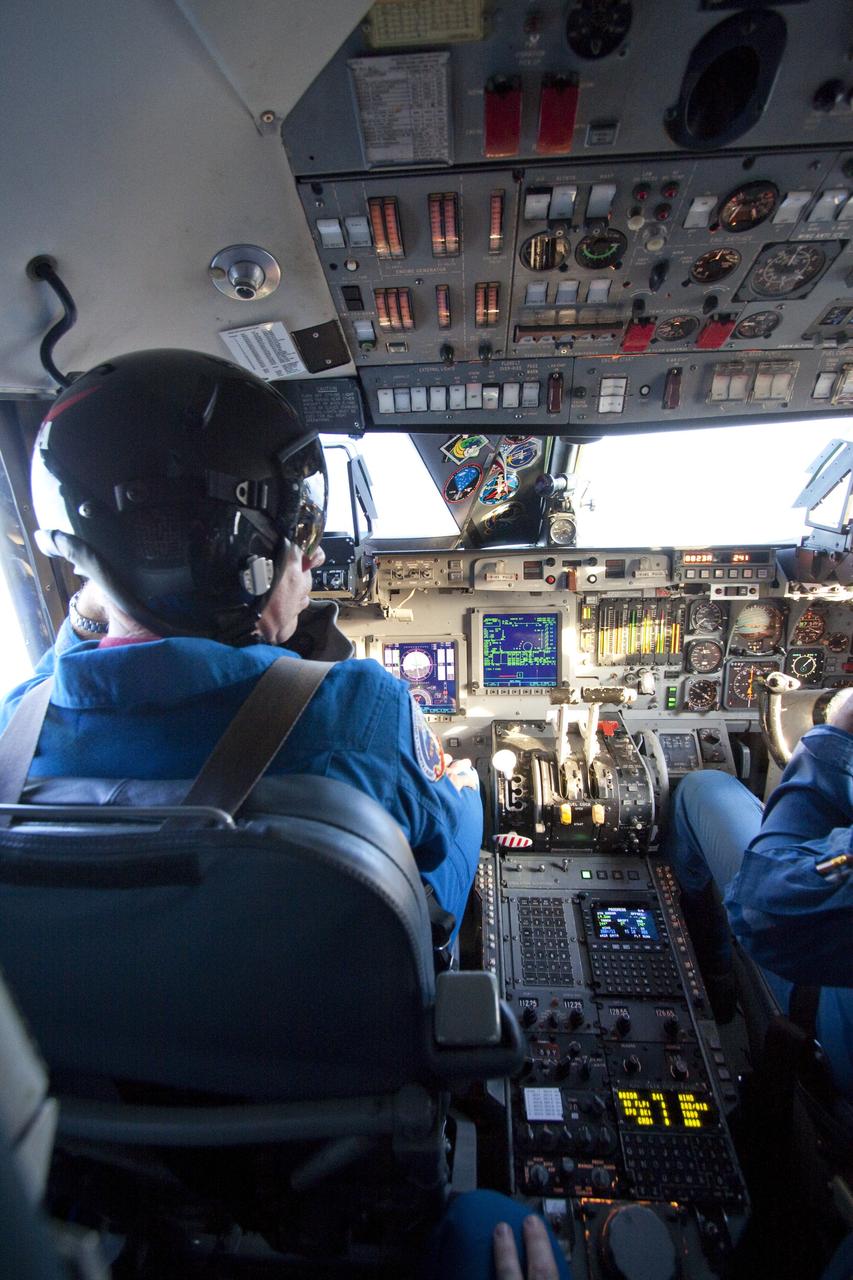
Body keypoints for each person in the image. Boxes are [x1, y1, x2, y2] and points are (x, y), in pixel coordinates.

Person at [0, 348, 482, 933]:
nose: (317, 556)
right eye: (301, 533)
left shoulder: (15, 736)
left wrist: (103, 593)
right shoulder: (361, 716)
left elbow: (54, 674)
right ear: (241, 558)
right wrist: (467, 789)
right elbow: (436, 898)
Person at [663, 702, 853, 1100]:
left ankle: (713, 967)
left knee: (703, 786)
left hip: (835, 1023)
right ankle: (716, 978)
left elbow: (762, 908)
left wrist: (841, 733)